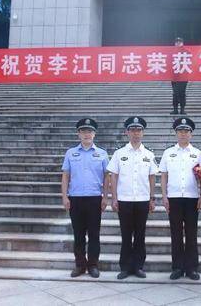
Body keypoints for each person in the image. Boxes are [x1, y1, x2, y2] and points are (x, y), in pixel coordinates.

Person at [108, 116, 158, 280]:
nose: (136, 133)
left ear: (143, 133)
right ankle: (125, 267)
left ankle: (138, 266)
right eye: (133, 130)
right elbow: (113, 176)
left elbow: (152, 177)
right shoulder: (119, 153)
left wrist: (152, 198)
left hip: (142, 200)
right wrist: (114, 198)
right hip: (124, 199)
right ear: (127, 132)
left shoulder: (149, 154)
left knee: (140, 234)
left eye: (139, 130)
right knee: (125, 234)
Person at [61, 118, 109, 278]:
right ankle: (80, 265)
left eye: (89, 131)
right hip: (76, 199)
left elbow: (107, 177)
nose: (87, 134)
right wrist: (65, 197)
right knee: (78, 234)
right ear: (78, 134)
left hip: (94, 199)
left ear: (94, 134)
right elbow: (65, 176)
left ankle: (93, 265)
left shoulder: (102, 154)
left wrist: (105, 197)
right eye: (83, 131)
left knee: (94, 234)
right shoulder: (70, 153)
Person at [160, 117, 201, 280]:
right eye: (180, 131)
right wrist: (164, 196)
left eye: (186, 131)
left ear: (191, 134)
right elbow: (164, 176)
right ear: (176, 133)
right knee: (176, 234)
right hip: (174, 198)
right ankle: (177, 267)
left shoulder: (197, 154)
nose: (183, 134)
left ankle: (192, 268)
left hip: (192, 198)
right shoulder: (168, 153)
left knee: (192, 234)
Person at [171, 37, 188, 115]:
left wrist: (182, 48)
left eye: (179, 42)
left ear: (182, 43)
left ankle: (182, 109)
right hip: (174, 76)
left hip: (183, 76)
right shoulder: (172, 51)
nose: (178, 43)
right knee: (175, 93)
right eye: (177, 42)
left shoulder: (185, 51)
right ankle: (175, 109)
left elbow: (190, 56)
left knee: (182, 92)